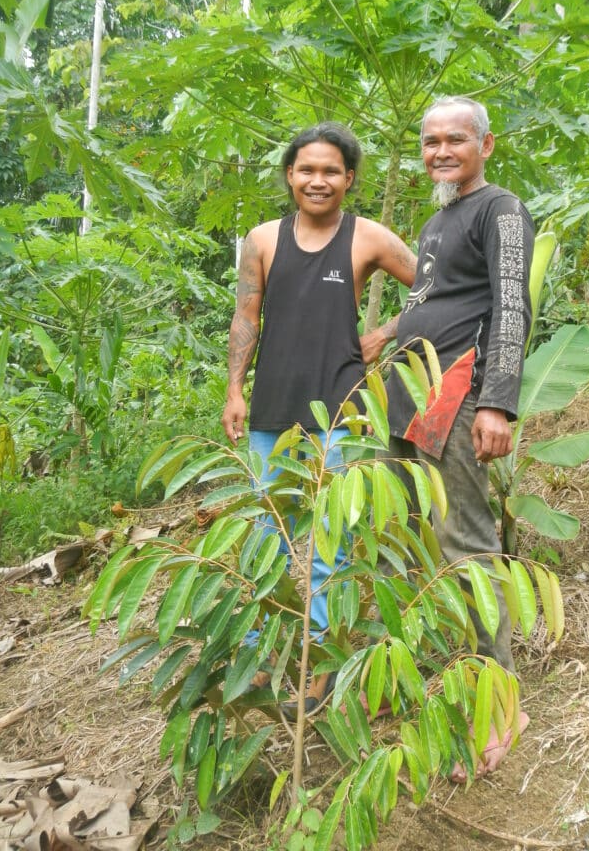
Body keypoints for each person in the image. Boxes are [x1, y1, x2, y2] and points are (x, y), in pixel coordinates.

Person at [221, 121, 417, 713]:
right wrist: (234, 388)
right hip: (271, 409)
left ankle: (318, 664)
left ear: (349, 179)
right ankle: (262, 655)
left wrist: (387, 331)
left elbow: (439, 288)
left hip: (341, 412)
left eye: (331, 170)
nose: (318, 180)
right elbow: (246, 317)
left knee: (331, 540)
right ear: (289, 175)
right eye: (307, 169)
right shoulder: (261, 239)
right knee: (268, 536)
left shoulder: (369, 238)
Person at [384, 96, 534, 780]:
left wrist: (497, 402)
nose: (440, 152)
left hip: (459, 390)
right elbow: (432, 300)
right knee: (417, 544)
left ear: (486, 145)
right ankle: (456, 679)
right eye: (429, 141)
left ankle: (502, 705)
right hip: (409, 396)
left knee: (469, 548)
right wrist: (384, 335)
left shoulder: (500, 209)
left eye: (455, 140)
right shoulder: (438, 219)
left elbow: (510, 302)